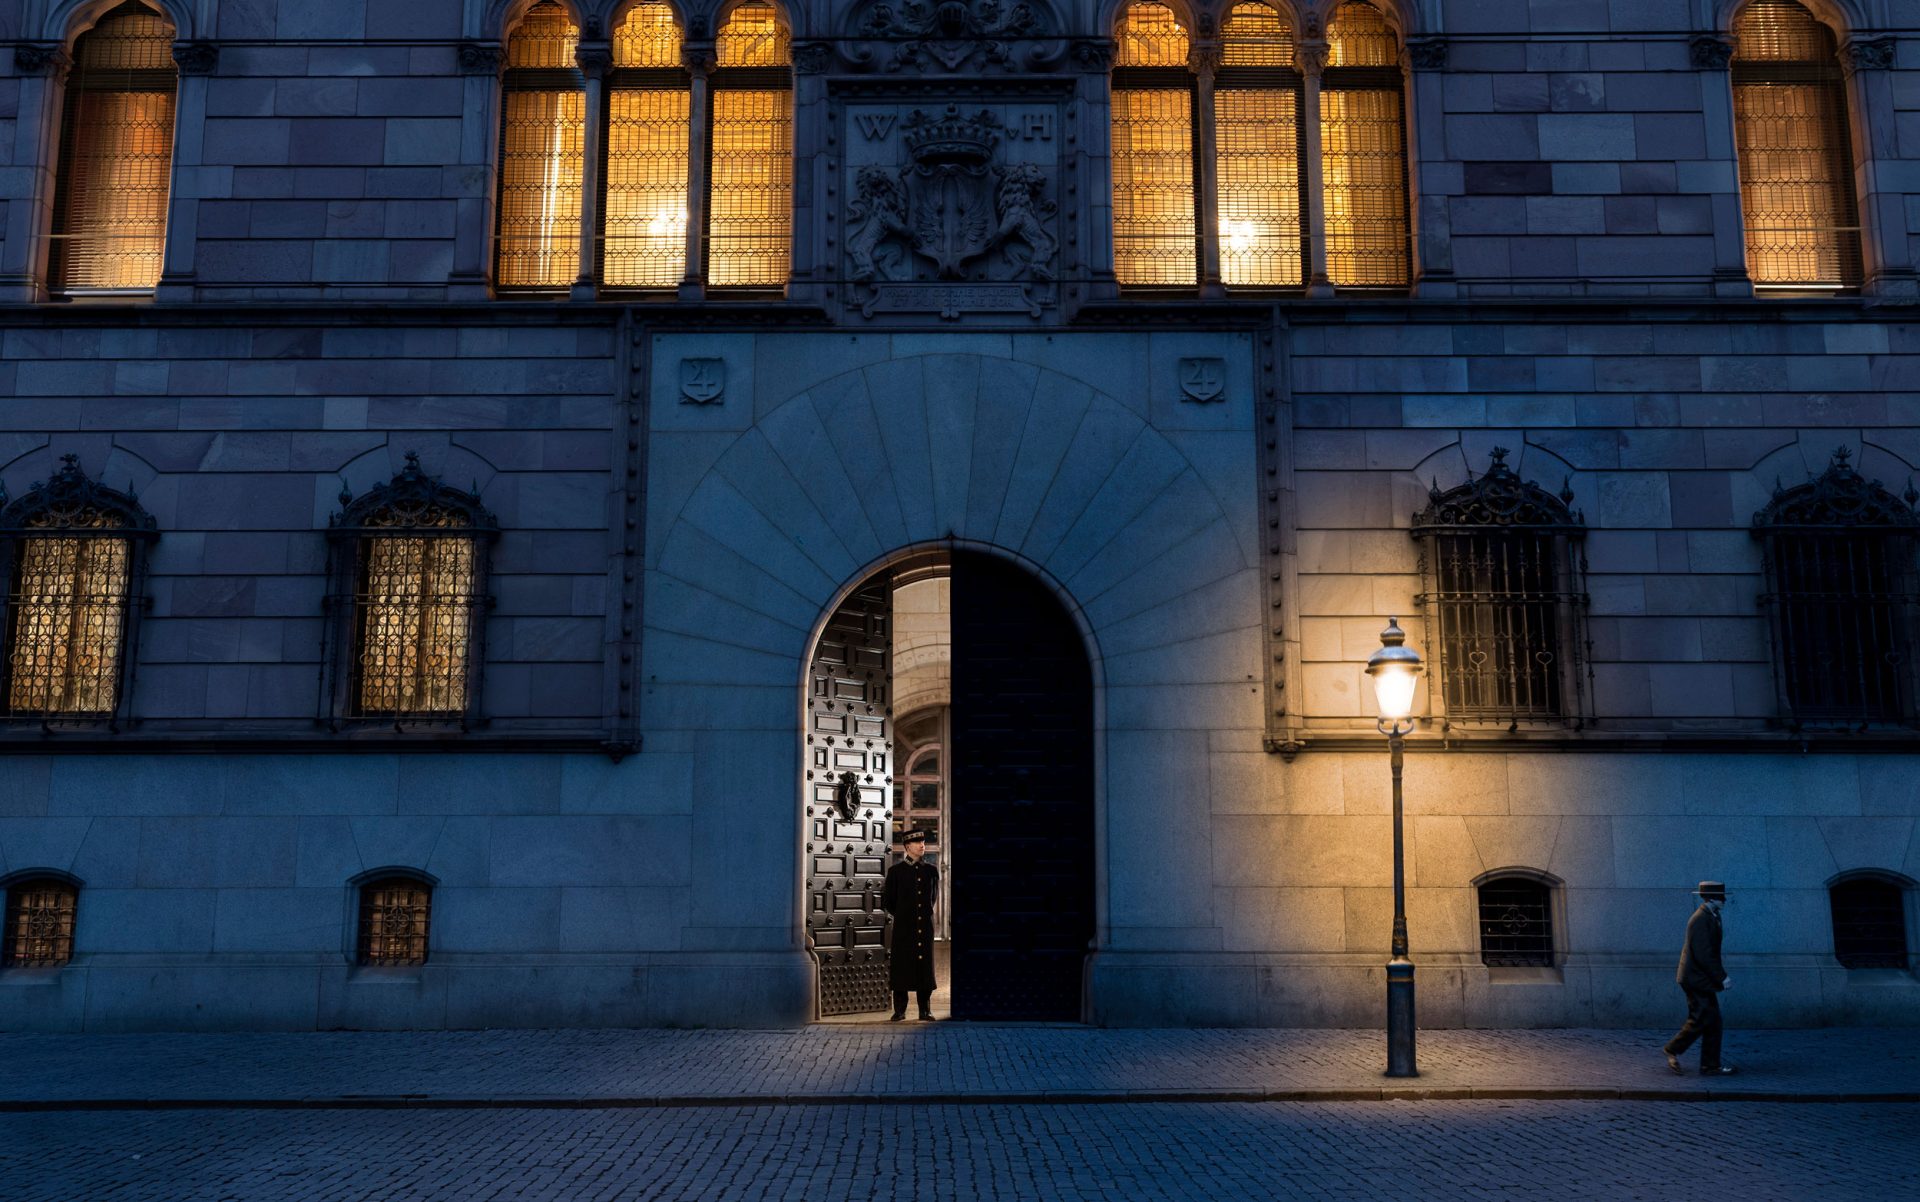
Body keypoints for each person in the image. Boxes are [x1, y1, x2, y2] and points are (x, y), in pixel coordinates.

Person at [1663, 881, 1735, 1076]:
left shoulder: (1711, 916)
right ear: (1711, 899)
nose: (1724, 900)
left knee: (1711, 1019)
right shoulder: (1700, 919)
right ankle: (1674, 1049)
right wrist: (1722, 977)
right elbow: (1704, 954)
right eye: (1721, 897)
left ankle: (1709, 1064)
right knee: (1701, 1018)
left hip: (1699, 978)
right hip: (1694, 979)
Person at [881, 827, 938, 1021]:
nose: (923, 845)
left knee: (924, 967)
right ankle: (900, 1010)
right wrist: (904, 916)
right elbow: (889, 901)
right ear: (907, 846)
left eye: (923, 842)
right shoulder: (896, 872)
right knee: (902, 966)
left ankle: (925, 1009)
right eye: (918, 842)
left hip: (925, 927)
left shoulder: (931, 871)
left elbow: (933, 898)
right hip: (904, 928)